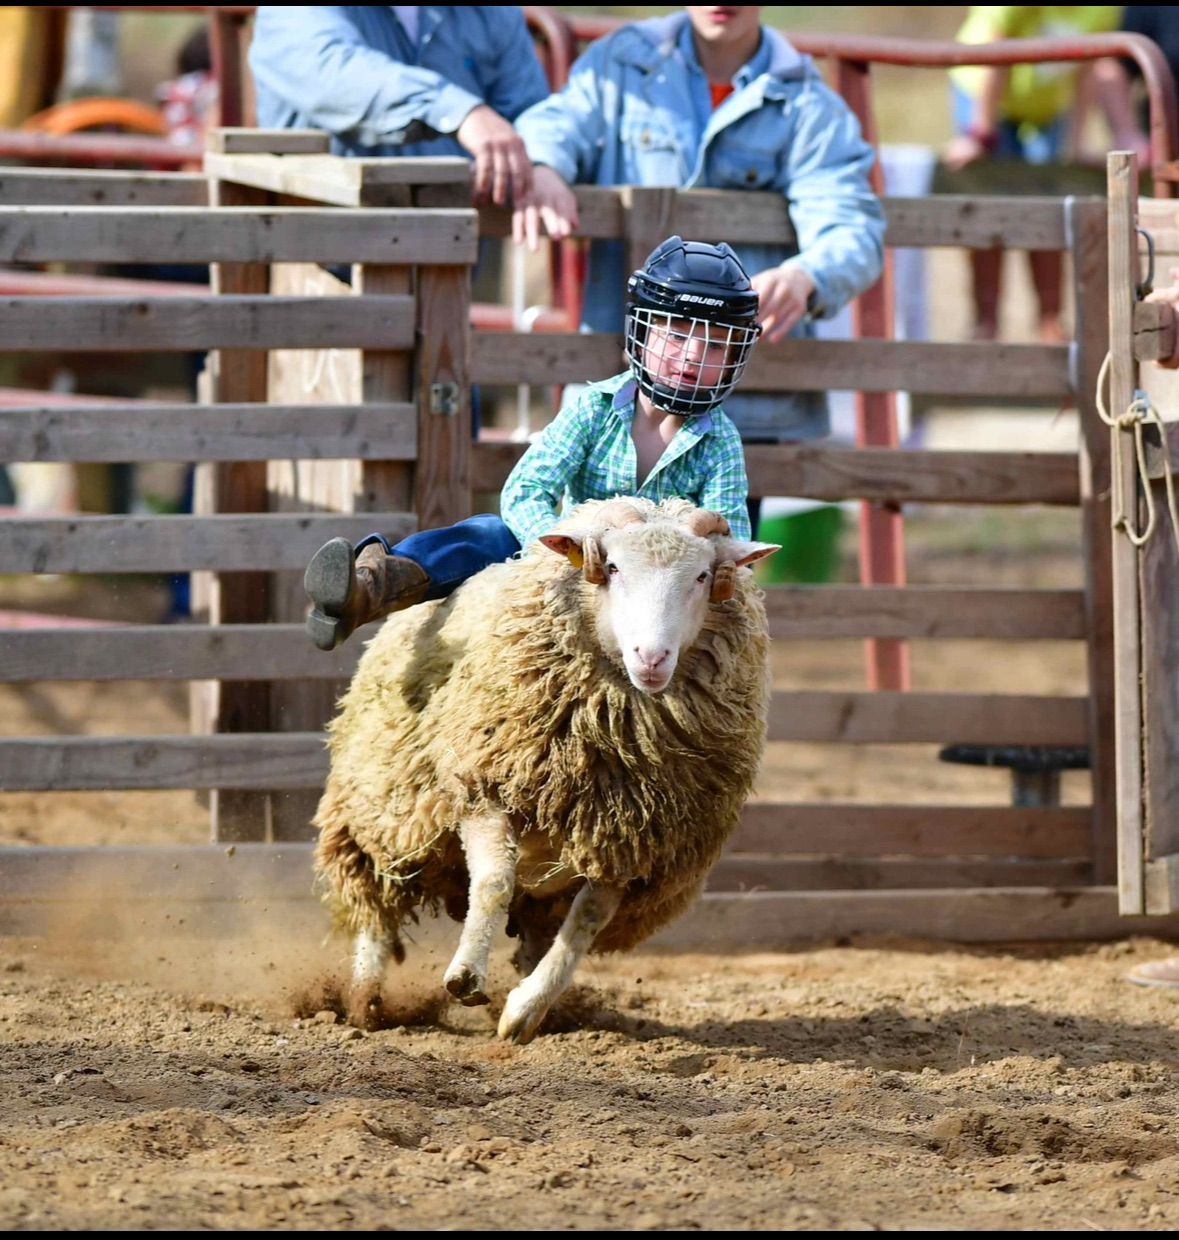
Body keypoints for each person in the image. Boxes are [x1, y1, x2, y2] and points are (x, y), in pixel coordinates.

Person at [507, 5, 885, 535]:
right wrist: (543, 165)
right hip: (625, 397)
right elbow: (558, 121)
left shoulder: (803, 99)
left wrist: (808, 274)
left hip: (742, 410)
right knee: (587, 584)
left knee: (705, 581)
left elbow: (850, 223)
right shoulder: (623, 63)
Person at [303, 236, 760, 650]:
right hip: (575, 562)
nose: (694, 356)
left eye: (717, 346)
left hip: (661, 591)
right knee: (488, 533)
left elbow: (731, 539)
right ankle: (367, 588)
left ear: (738, 355)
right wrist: (562, 551)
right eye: (678, 335)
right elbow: (525, 490)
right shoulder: (593, 408)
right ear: (642, 331)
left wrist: (716, 566)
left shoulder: (720, 444)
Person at [247, 6, 550, 208]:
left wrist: (544, 161)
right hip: (320, 267)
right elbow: (333, 71)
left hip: (448, 268)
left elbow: (531, 111)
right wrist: (459, 113)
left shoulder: (489, 14)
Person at [944, 6, 1122, 344]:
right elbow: (996, 53)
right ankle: (986, 321)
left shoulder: (1106, 9)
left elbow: (1089, 67)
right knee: (989, 199)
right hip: (984, 89)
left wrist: (1077, 141)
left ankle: (1050, 319)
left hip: (1047, 104)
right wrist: (982, 133)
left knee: (1051, 199)